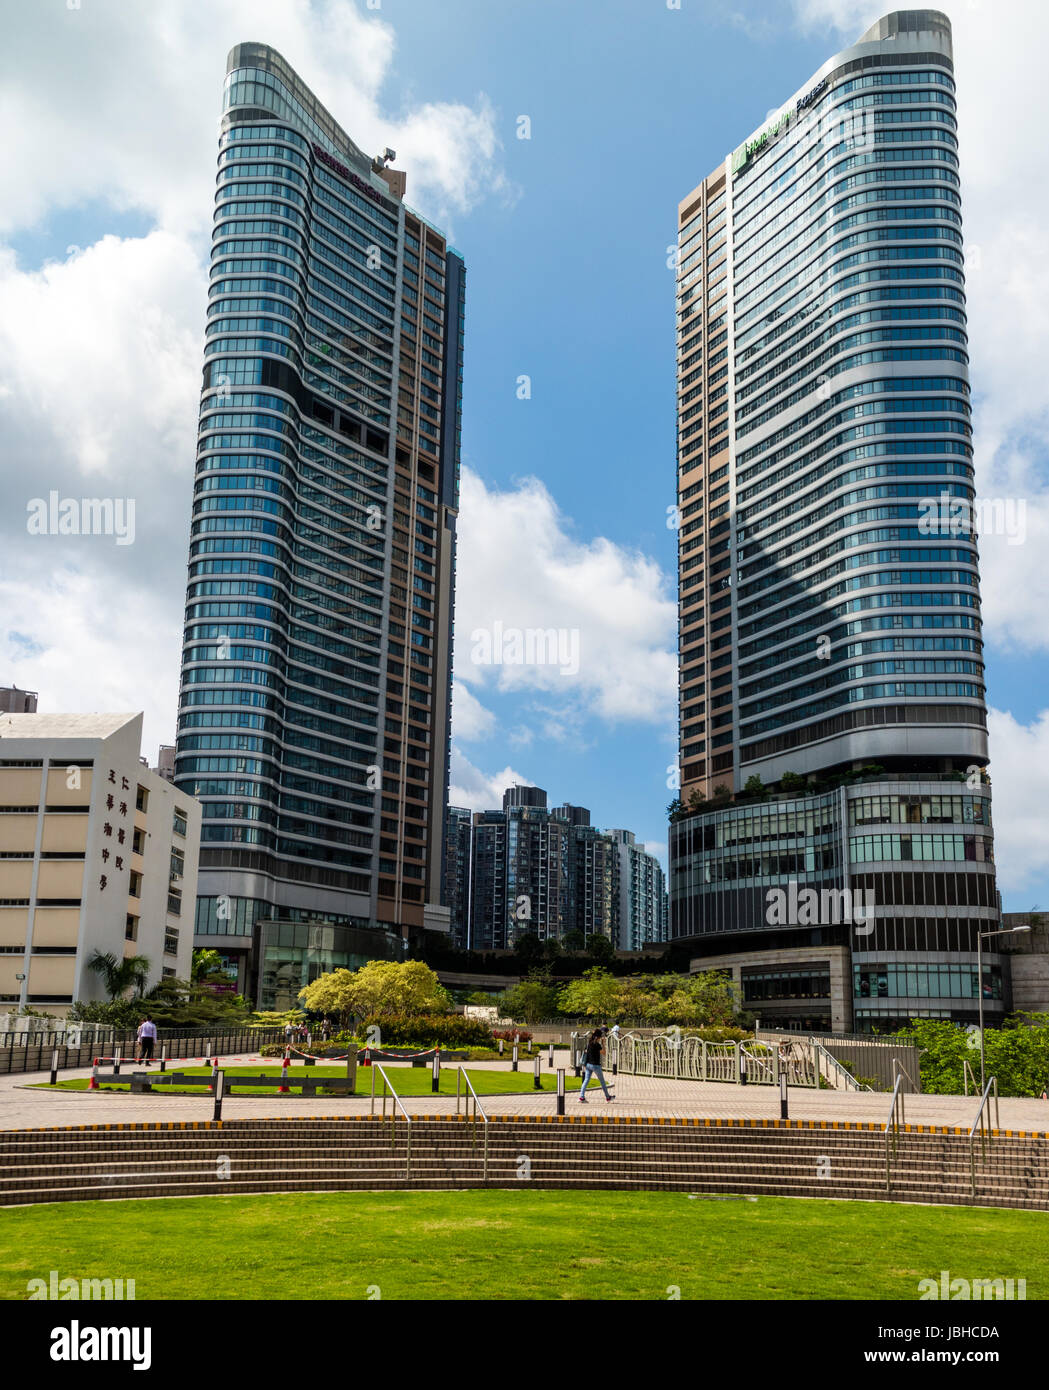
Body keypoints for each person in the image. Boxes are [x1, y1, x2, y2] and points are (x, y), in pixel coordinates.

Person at [579, 1026, 614, 1103]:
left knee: (586, 1080)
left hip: (588, 1065)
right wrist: (603, 1043)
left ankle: (581, 1097)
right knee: (602, 1082)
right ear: (599, 1037)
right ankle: (608, 1097)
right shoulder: (597, 1044)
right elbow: (604, 1053)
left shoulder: (589, 1043)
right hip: (596, 1066)